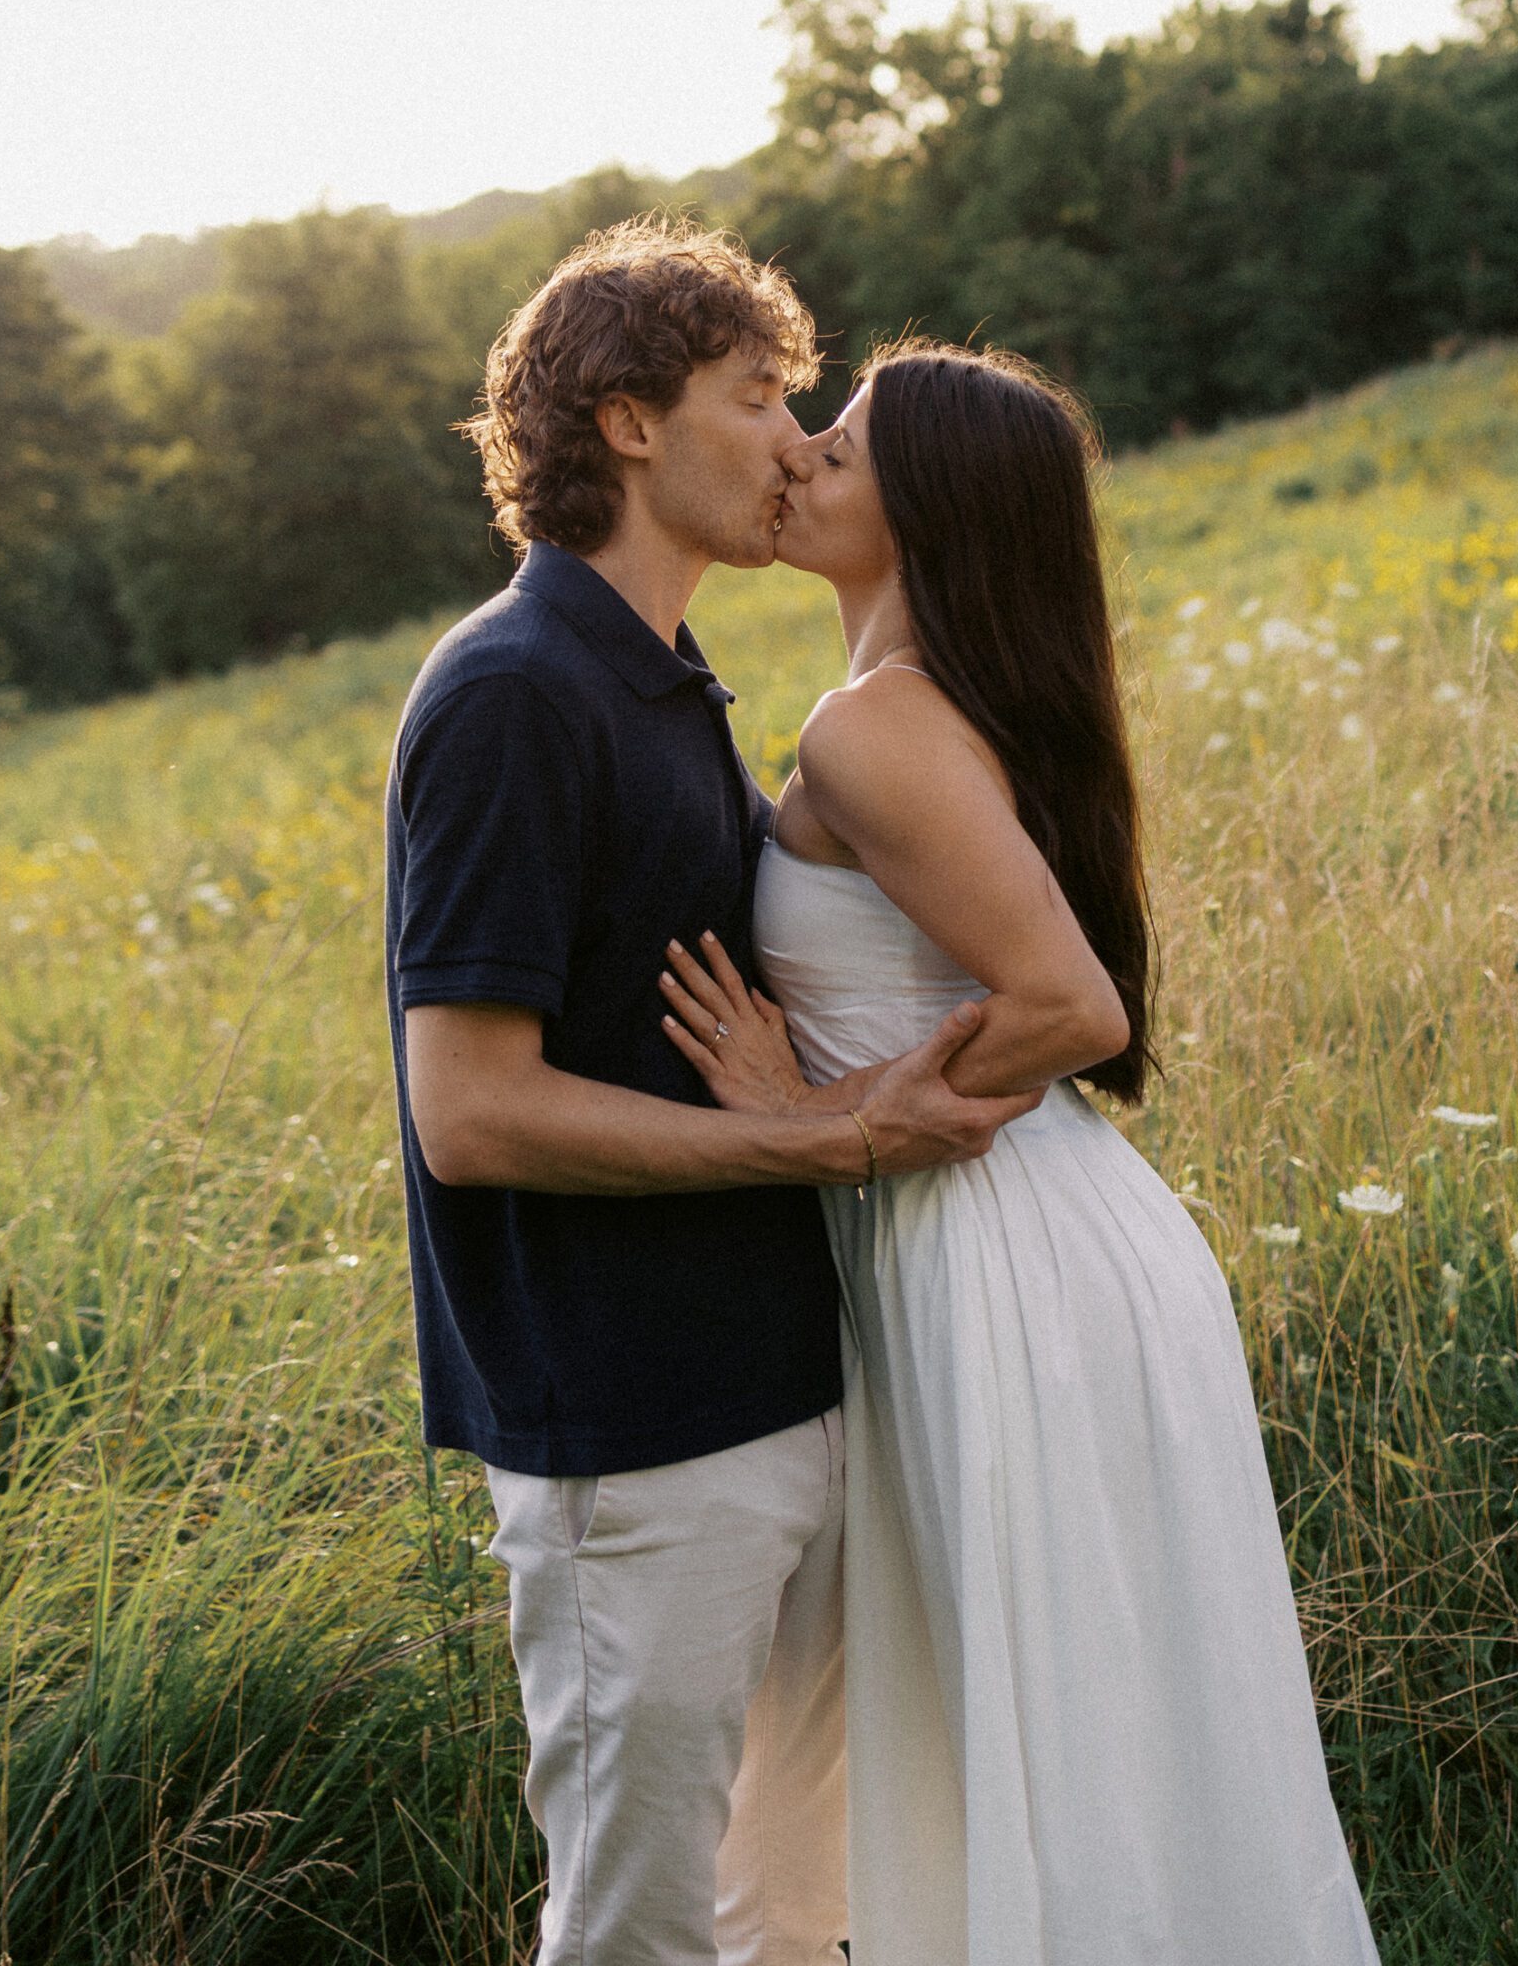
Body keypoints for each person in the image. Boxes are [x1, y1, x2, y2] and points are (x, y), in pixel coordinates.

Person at [661, 339, 1384, 1965]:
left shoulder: (876, 728)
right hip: (1019, 1234)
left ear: (926, 513)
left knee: (1066, 1719)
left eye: (835, 450)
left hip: (996, 1252)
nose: (796, 461)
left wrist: (817, 1126)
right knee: (1096, 1720)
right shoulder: (913, 709)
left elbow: (1068, 1002)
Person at [382, 223, 1039, 1966]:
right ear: (625, 424)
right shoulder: (511, 693)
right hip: (628, 1430)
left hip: (777, 1393)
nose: (792, 441)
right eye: (756, 399)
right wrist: (816, 1137)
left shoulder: (676, 688)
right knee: (638, 1929)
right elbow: (471, 1108)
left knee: (792, 1912)